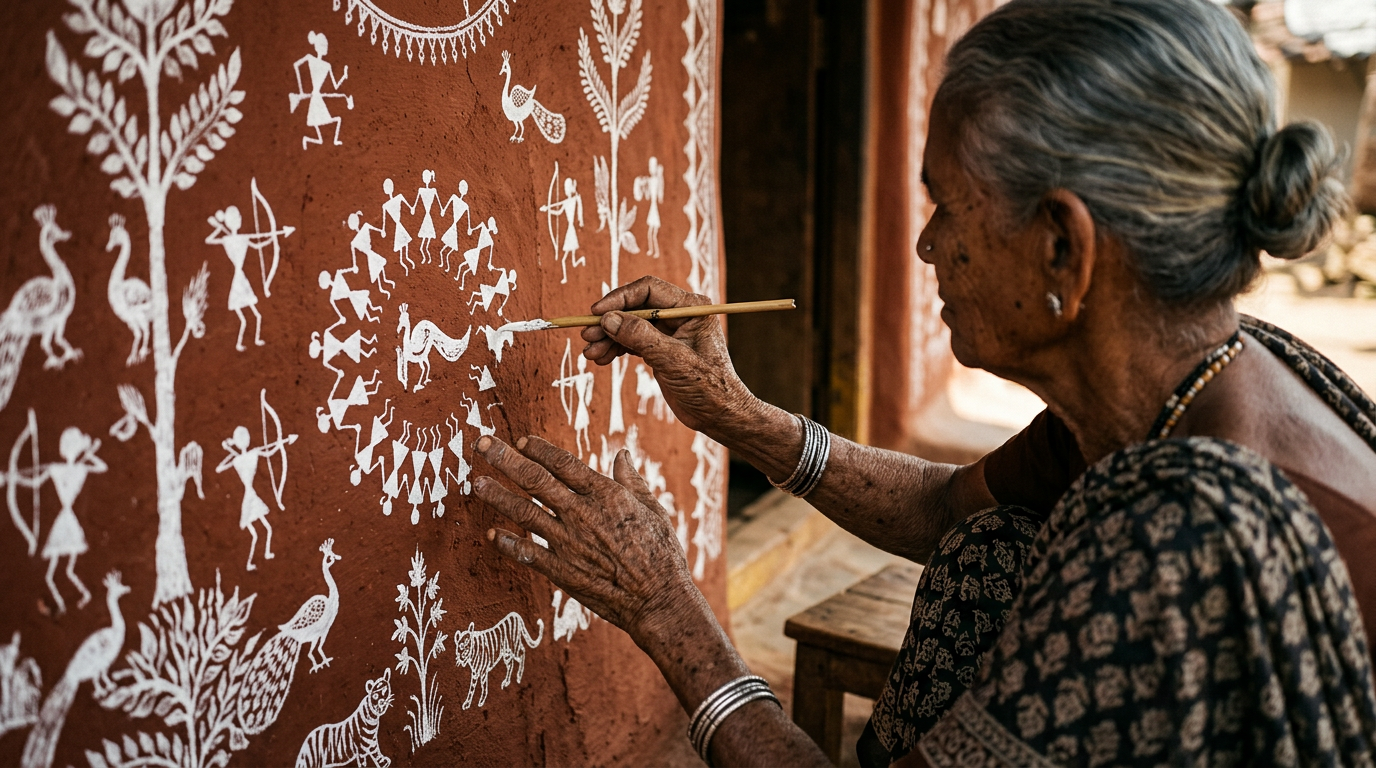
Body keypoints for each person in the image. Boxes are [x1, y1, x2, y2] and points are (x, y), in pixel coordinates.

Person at [473, 0, 1376, 765]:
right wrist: (738, 416)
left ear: (1063, 245)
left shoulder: (1177, 535)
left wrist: (671, 614)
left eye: (948, 204)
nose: (925, 244)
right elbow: (952, 511)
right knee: (988, 553)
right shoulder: (1192, 372)